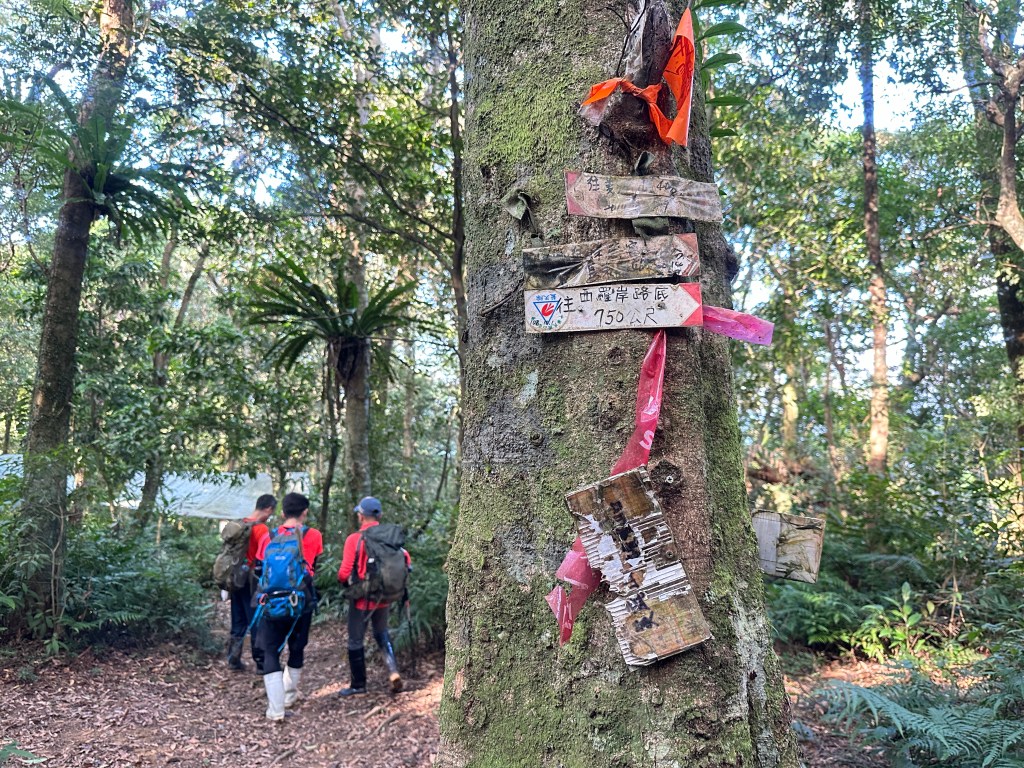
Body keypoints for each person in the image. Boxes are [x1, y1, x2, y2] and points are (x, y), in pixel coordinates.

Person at [253, 492, 324, 721]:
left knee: (270, 650)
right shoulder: (313, 535)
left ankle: (275, 710)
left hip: (272, 601)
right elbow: (313, 567)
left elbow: (260, 568)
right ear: (305, 512)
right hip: (301, 600)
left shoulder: (269, 536)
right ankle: (289, 696)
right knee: (297, 647)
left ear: (282, 513)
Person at [337, 496, 409, 697]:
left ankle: (358, 684)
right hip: (384, 597)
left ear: (361, 516)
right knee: (381, 633)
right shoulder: (389, 537)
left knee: (355, 640)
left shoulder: (355, 539)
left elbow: (344, 572)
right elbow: (406, 559)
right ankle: (393, 671)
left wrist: (345, 582)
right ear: (380, 515)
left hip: (362, 600)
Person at [226, 493, 276, 672]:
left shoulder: (240, 524)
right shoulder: (261, 529)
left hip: (235, 576)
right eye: (271, 512)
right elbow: (266, 556)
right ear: (268, 508)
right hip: (252, 579)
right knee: (256, 619)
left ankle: (233, 659)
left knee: (238, 618)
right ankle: (261, 663)